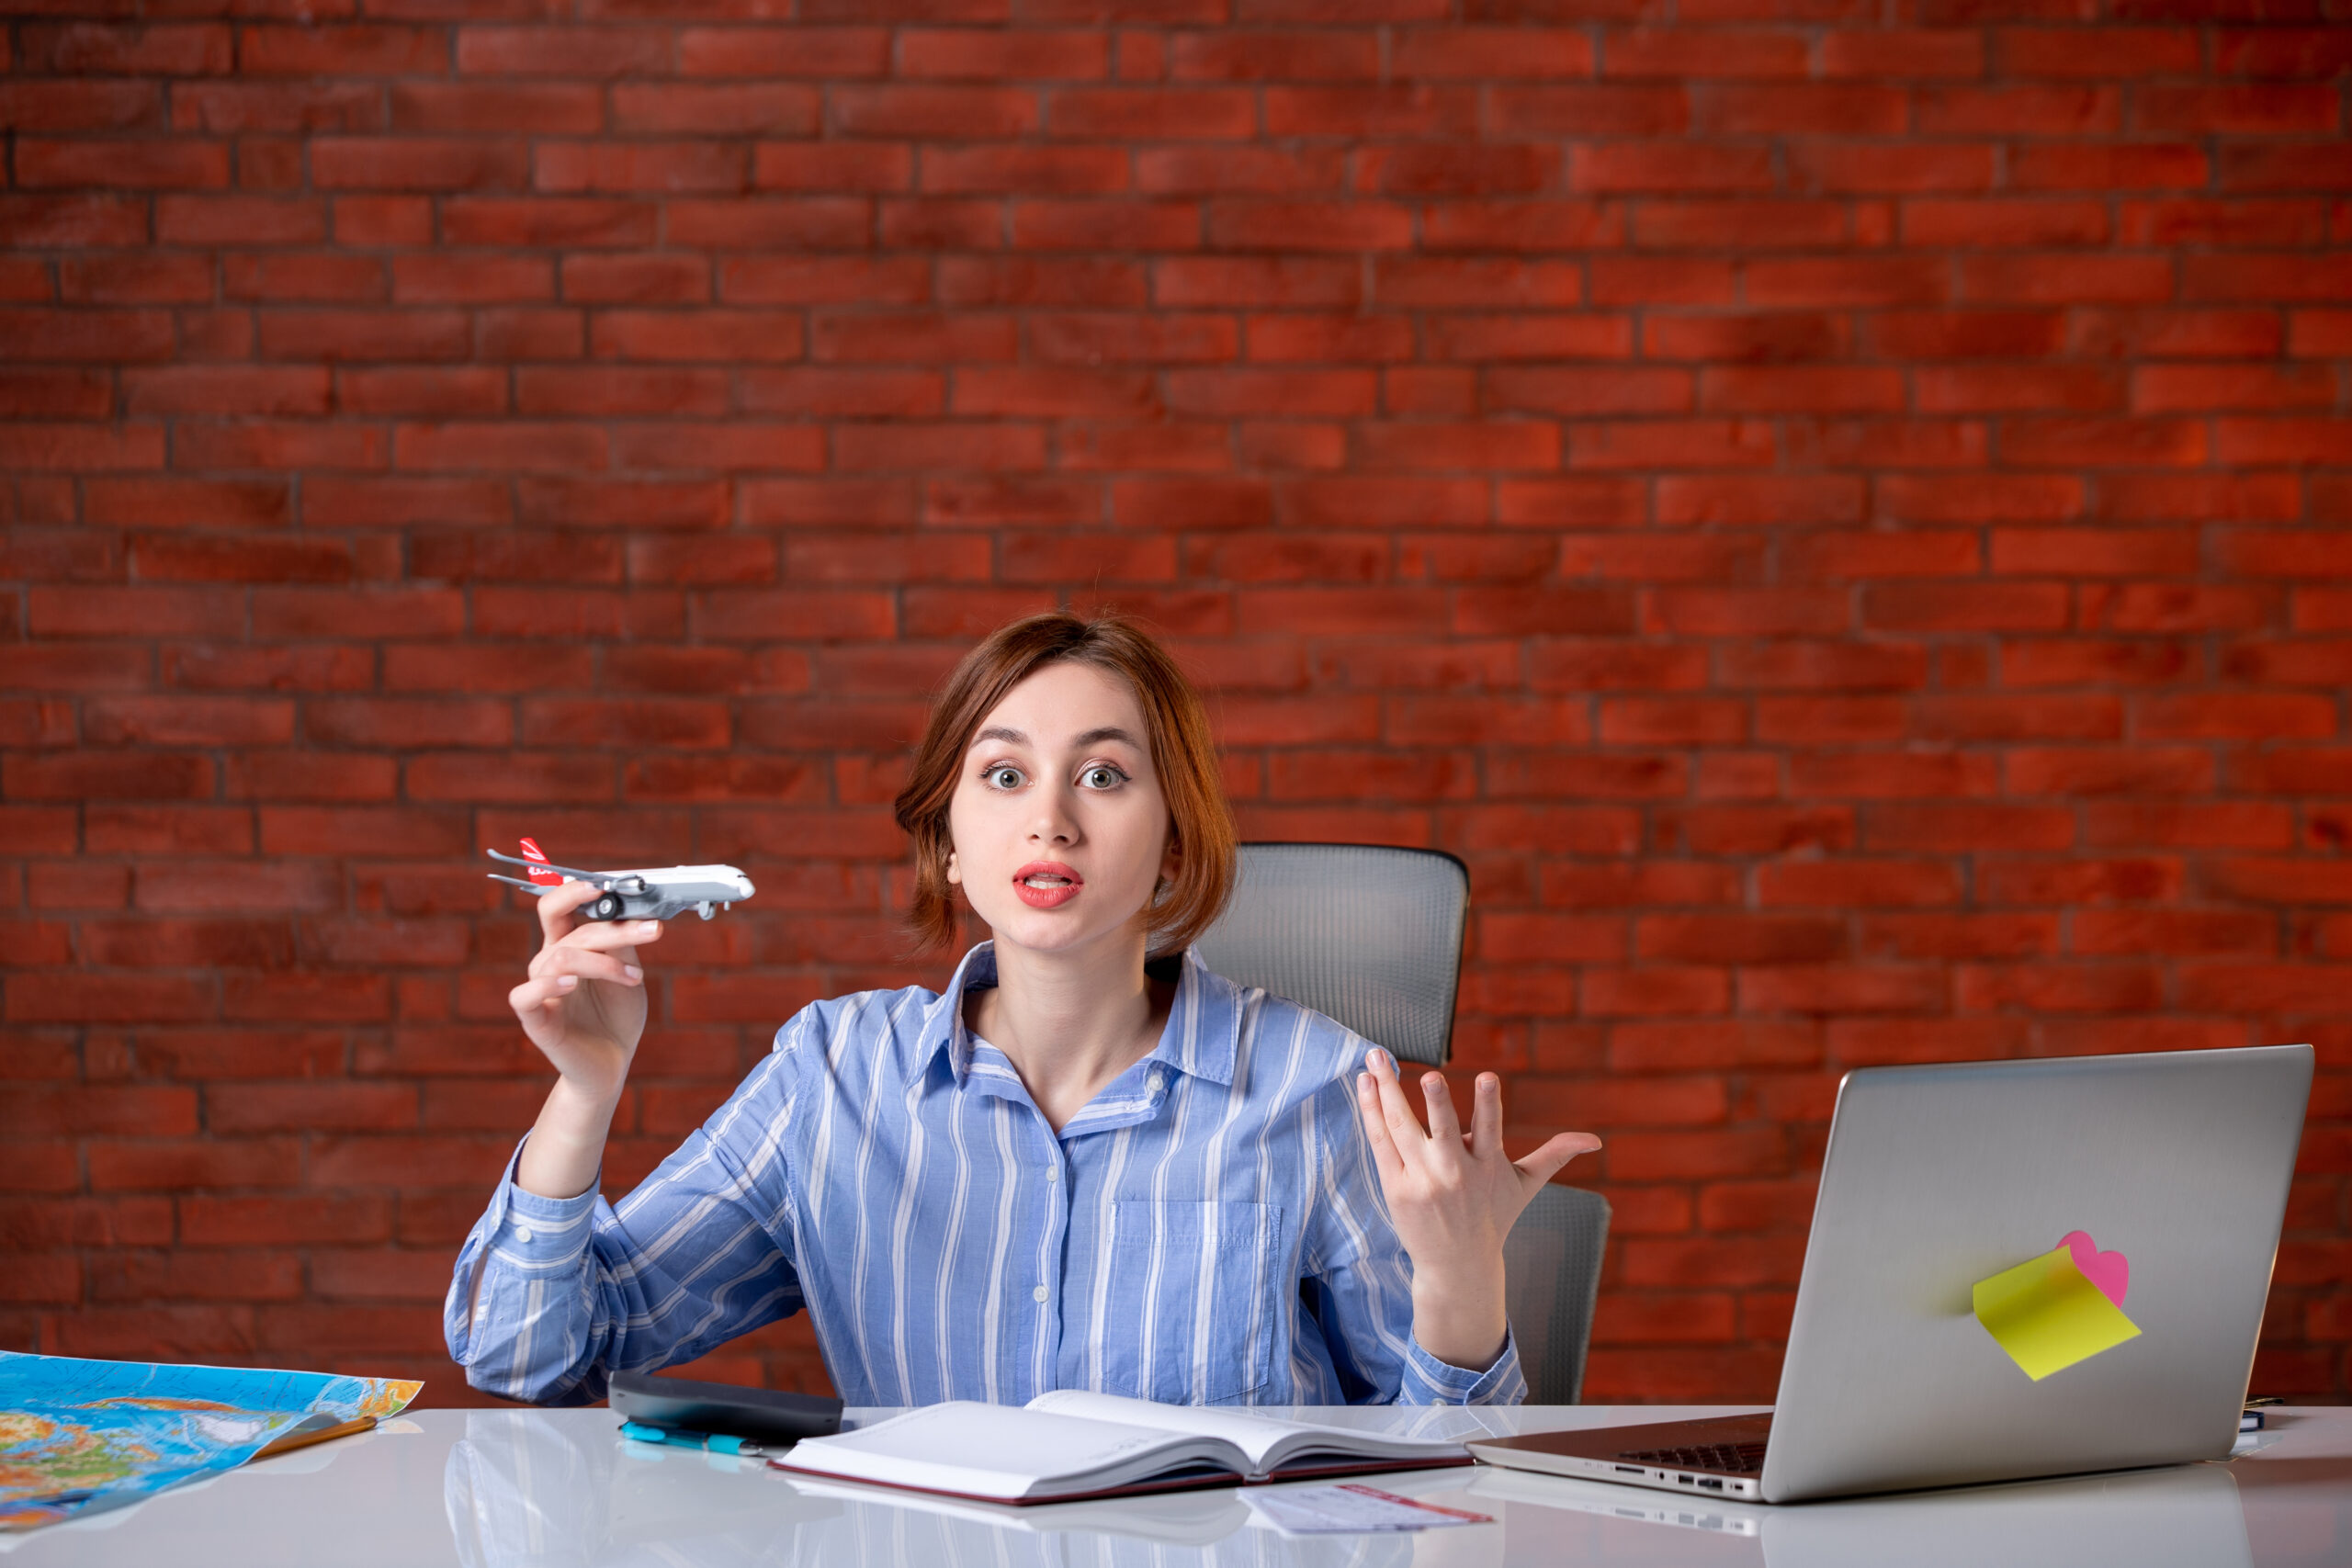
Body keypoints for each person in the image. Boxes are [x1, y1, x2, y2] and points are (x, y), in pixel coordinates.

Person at [444, 611, 1600, 1406]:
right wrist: (582, 1092)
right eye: (1003, 776)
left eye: (1103, 775)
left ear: (1171, 846)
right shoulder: (834, 1077)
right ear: (950, 844)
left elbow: (1456, 1491)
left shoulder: (1314, 1085)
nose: (1050, 819)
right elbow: (526, 1357)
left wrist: (1459, 1288)